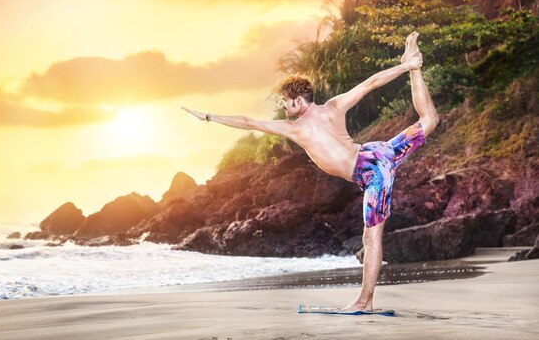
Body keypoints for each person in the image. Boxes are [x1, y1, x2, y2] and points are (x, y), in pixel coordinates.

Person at [182, 32, 439, 312]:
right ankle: (414, 66)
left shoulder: (295, 129)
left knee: (371, 236)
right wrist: (406, 67)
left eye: (284, 101)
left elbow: (247, 122)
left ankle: (364, 302)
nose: (282, 106)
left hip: (372, 172)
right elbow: (372, 83)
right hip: (379, 152)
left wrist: (207, 116)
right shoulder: (333, 107)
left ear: (298, 101)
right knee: (429, 120)